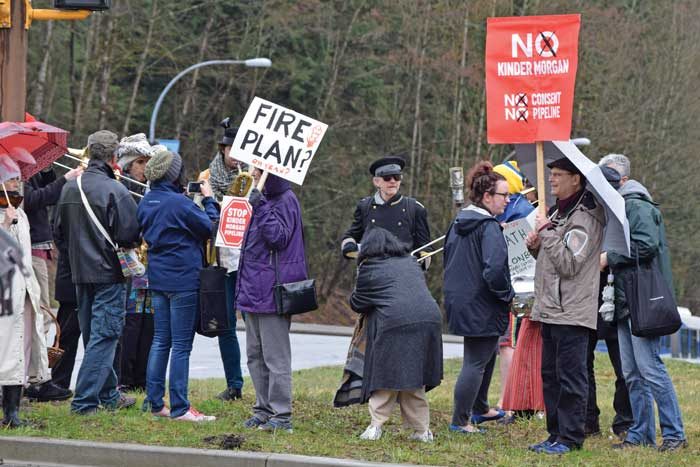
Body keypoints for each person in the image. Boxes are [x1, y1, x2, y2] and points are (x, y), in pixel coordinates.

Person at [599, 153, 687, 452]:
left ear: (622, 180)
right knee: (631, 373)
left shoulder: (635, 204)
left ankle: (674, 434)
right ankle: (642, 433)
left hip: (642, 299)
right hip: (627, 299)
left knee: (650, 369)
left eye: (609, 177)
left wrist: (609, 257)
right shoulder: (622, 206)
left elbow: (646, 246)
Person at [55, 130, 140, 415]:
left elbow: (59, 234)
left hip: (79, 274)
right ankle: (84, 402)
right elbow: (129, 235)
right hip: (109, 275)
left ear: (90, 153)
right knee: (104, 337)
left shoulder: (69, 188)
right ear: (114, 157)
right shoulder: (116, 190)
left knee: (95, 336)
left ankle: (108, 395)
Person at [526, 157, 605, 455]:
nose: (552, 180)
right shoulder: (559, 213)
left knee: (571, 378)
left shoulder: (584, 217)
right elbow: (551, 262)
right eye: (551, 174)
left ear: (576, 179)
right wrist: (536, 246)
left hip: (571, 311)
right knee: (550, 376)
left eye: (559, 175)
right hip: (551, 309)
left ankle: (571, 438)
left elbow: (570, 264)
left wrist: (545, 231)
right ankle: (555, 434)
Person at [138, 149, 219, 422]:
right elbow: (208, 227)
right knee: (182, 346)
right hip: (184, 279)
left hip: (158, 279)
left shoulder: (147, 201)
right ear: (174, 174)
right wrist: (208, 200)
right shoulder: (179, 203)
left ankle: (155, 403)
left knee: (160, 341)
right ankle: (181, 408)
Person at [349, 227, 443, 443]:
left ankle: (375, 427)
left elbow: (357, 303)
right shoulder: (410, 262)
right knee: (415, 377)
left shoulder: (369, 267)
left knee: (385, 376)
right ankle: (422, 431)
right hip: (430, 320)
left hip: (395, 322)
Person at [443, 161, 515, 434]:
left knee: (484, 355)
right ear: (487, 197)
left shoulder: (459, 222)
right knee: (475, 361)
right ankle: (461, 421)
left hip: (461, 301)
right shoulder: (488, 227)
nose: (508, 200)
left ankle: (481, 408)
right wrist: (507, 295)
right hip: (482, 303)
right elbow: (494, 270)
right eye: (504, 195)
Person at [236, 173, 307, 433]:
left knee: (275, 358)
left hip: (271, 291)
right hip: (253, 290)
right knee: (255, 356)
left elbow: (278, 238)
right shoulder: (263, 198)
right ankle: (263, 409)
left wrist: (261, 206)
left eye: (258, 169)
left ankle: (282, 415)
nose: (254, 173)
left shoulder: (285, 200)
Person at [21, 166, 82, 402]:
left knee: (40, 317)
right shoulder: (13, 171)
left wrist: (47, 172)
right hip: (32, 248)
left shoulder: (27, 170)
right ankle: (34, 379)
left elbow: (46, 193)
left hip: (39, 246)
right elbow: (34, 199)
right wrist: (64, 180)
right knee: (39, 316)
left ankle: (36, 377)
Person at [584, 165, 633, 439]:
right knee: (583, 361)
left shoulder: (625, 213)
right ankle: (589, 420)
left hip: (616, 295)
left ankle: (624, 421)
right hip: (590, 295)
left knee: (623, 364)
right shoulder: (587, 211)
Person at [199, 121, 245, 402]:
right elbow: (199, 215)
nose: (236, 155)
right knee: (225, 324)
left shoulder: (253, 177)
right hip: (221, 259)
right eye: (232, 149)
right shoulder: (207, 176)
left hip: (248, 259)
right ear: (223, 149)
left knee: (257, 324)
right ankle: (234, 384)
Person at [0, 178, 50, 427]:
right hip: (4, 295)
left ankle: (12, 413)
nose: (16, 183)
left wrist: (33, 291)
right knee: (5, 352)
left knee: (20, 352)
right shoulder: (8, 215)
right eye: (10, 177)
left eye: (18, 178)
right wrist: (5, 225)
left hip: (24, 292)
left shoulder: (20, 211)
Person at [490, 161, 535, 417]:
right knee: (505, 344)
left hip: (514, 285)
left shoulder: (518, 209)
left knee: (508, 344)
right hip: (510, 284)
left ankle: (507, 401)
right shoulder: (516, 206)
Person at [113, 134, 156, 391]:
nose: (145, 168)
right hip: (128, 265)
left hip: (147, 266)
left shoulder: (148, 190)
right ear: (129, 164)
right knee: (130, 323)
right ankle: (125, 377)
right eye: (141, 162)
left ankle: (141, 377)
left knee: (147, 321)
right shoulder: (121, 189)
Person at [341, 155, 430, 260]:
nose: (392, 181)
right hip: (371, 270)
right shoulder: (364, 207)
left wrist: (421, 259)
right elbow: (350, 236)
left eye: (397, 177)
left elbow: (425, 247)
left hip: (403, 271)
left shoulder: (415, 208)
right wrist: (349, 246)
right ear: (376, 182)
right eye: (387, 177)